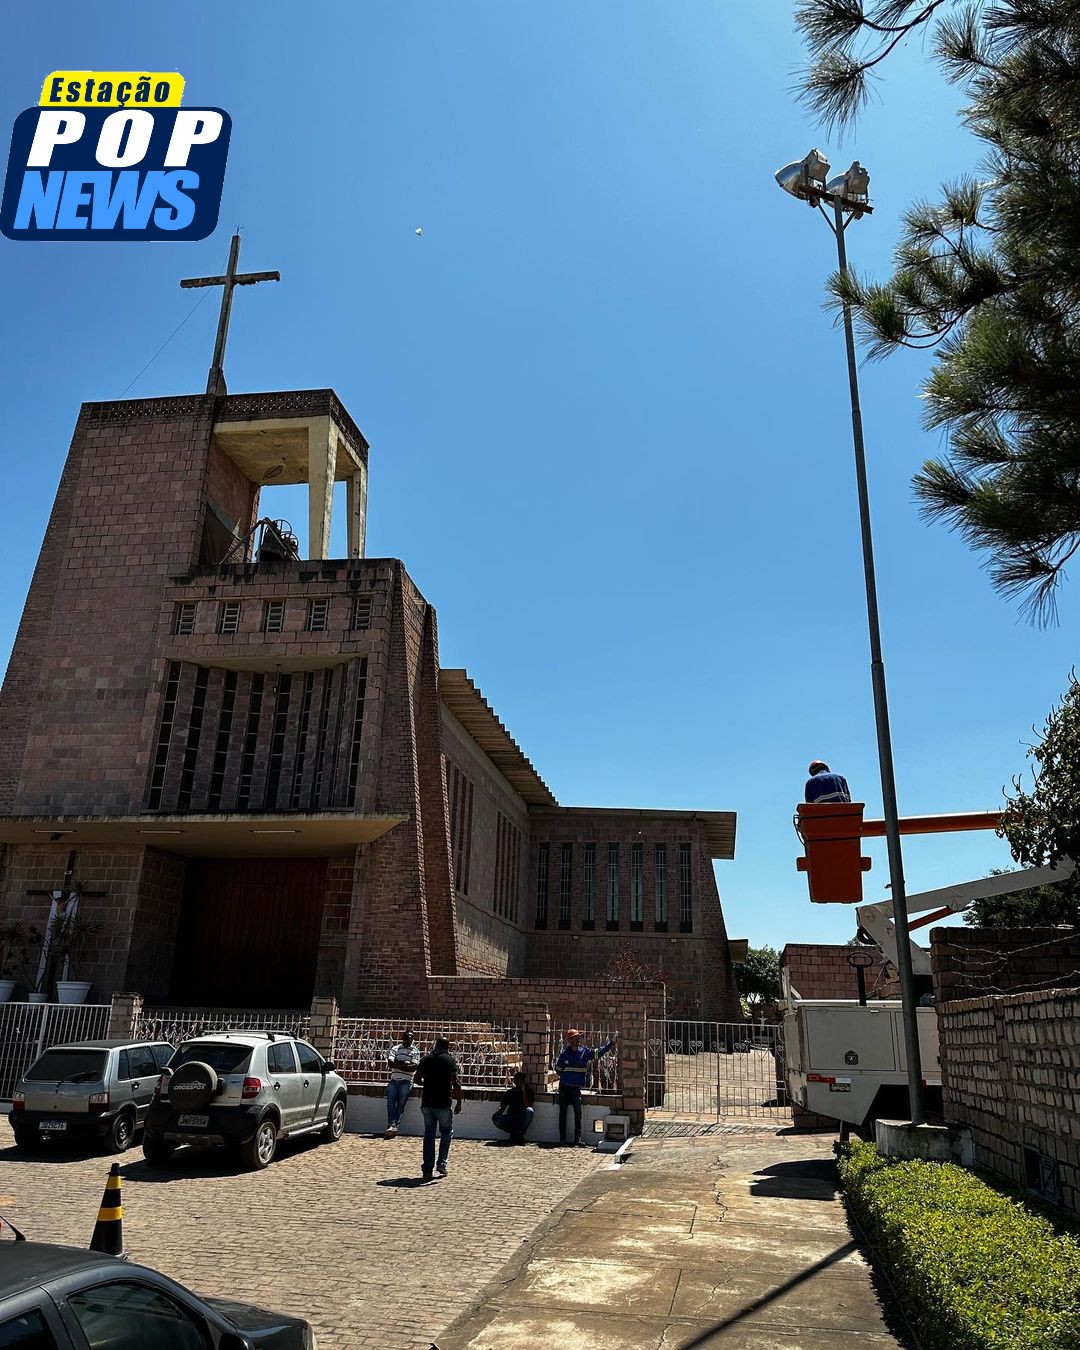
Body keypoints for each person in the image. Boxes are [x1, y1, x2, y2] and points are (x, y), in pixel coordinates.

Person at [556, 1028, 617, 1147]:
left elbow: (599, 1053)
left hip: (575, 1089)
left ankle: (577, 1140)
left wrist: (611, 1044)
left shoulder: (584, 1052)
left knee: (578, 1113)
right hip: (564, 1088)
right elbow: (558, 1070)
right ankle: (562, 1139)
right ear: (569, 1040)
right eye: (575, 1038)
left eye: (579, 1037)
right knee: (562, 1113)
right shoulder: (564, 1054)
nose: (578, 1039)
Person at [413, 1036, 462, 1179]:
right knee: (446, 1132)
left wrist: (427, 1084)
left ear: (436, 1045)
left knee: (429, 1135)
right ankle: (441, 1163)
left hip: (427, 1102)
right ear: (448, 1046)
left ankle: (427, 1169)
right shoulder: (450, 1061)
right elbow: (456, 1083)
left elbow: (416, 1079)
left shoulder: (426, 1059)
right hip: (443, 1102)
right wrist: (459, 1102)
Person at [384, 1029, 420, 1138]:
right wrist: (405, 1063)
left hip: (406, 1081)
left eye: (411, 1038)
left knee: (401, 1103)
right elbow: (390, 1063)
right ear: (403, 1038)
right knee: (390, 1102)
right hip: (394, 1080)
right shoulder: (395, 1049)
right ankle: (392, 1125)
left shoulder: (415, 1051)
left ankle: (394, 1125)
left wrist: (398, 1064)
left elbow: (414, 1067)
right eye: (408, 1038)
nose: (410, 1040)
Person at [492, 1072, 535, 1144]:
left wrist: (524, 1091)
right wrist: (496, 1114)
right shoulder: (509, 1092)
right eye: (519, 1080)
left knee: (530, 1111)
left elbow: (528, 1105)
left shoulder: (529, 1092)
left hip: (522, 1117)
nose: (521, 1082)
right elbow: (502, 1108)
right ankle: (515, 1134)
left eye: (522, 1080)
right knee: (497, 1120)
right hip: (511, 1117)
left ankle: (519, 1134)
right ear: (514, 1081)